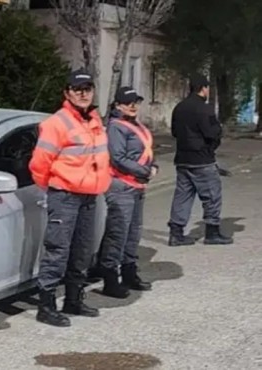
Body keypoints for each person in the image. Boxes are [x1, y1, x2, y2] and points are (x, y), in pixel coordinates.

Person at [29, 68, 112, 327]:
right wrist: (55, 188)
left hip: (89, 196)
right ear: (67, 93)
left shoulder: (94, 120)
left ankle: (74, 299)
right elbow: (39, 164)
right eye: (78, 89)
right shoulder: (57, 123)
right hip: (65, 196)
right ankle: (46, 305)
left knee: (82, 250)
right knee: (57, 250)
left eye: (87, 88)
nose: (83, 93)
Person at [97, 87, 157, 298]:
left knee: (133, 232)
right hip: (121, 185)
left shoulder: (136, 125)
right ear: (117, 105)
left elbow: (144, 151)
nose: (133, 106)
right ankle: (110, 278)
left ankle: (129, 272)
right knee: (118, 232)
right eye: (127, 102)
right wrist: (146, 170)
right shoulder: (115, 127)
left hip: (137, 184)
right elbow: (118, 158)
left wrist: (153, 165)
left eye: (135, 102)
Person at [167, 73, 233, 246]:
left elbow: (174, 132)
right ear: (204, 88)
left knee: (182, 196)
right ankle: (212, 232)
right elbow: (212, 132)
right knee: (211, 195)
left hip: (182, 158)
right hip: (202, 159)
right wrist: (215, 139)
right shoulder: (205, 109)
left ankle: (176, 232)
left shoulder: (179, 108)